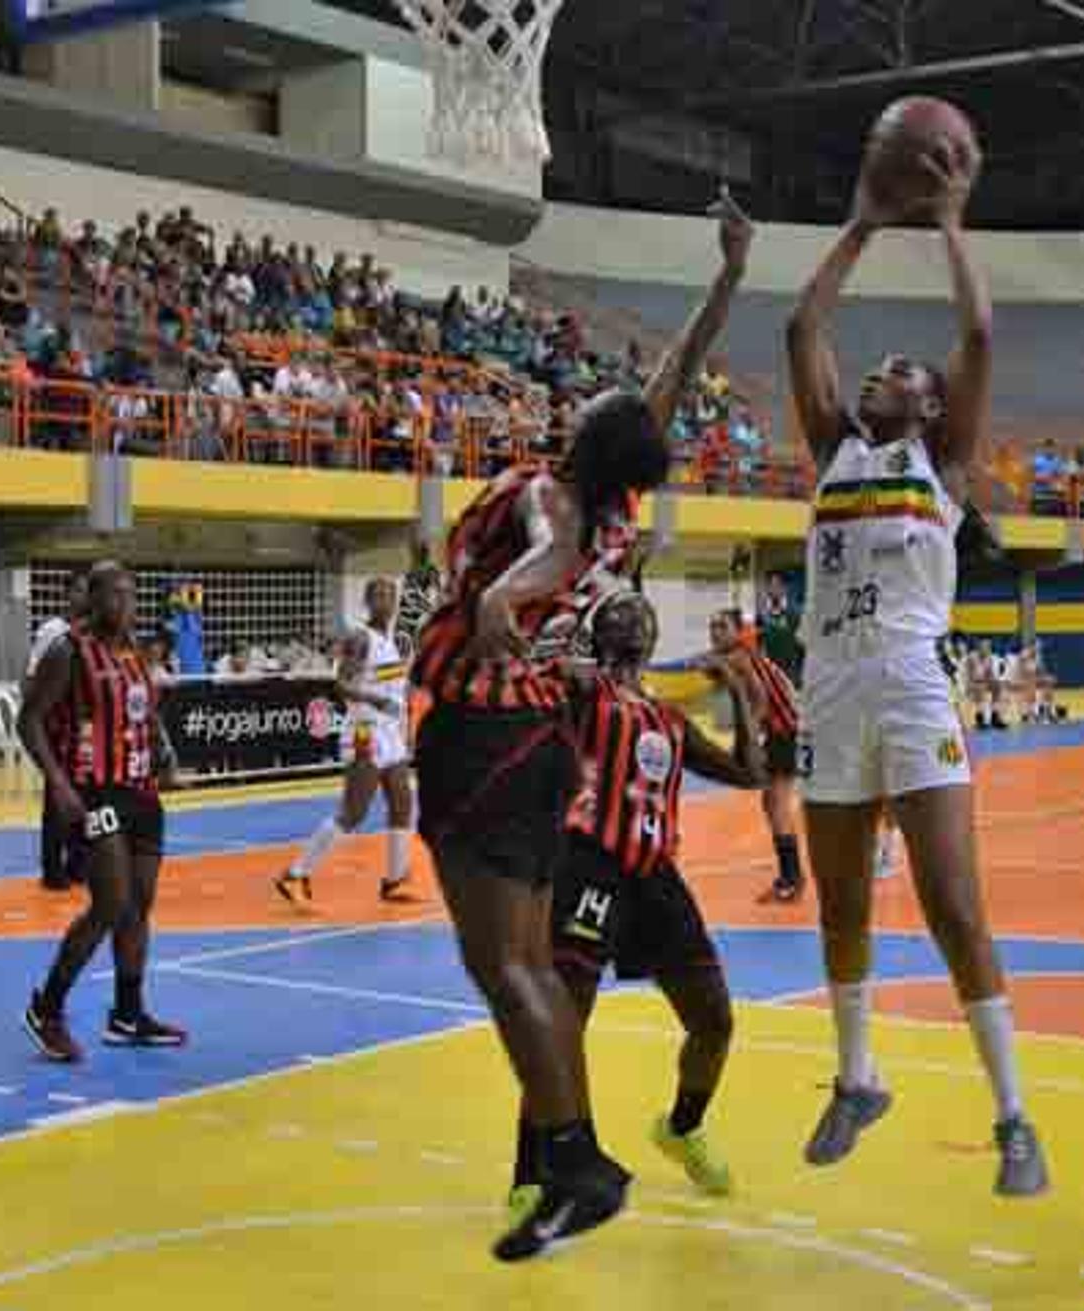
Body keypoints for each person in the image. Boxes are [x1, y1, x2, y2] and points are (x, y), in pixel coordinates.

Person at [408, 189, 752, 1263]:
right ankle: (575, 1158)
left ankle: (574, 1157)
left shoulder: (560, 511)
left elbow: (528, 580)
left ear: (586, 434)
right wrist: (727, 277)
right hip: (545, 752)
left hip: (484, 741)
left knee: (503, 967)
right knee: (536, 970)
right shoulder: (613, 506)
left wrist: (504, 614)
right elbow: (669, 387)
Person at [785, 142, 1046, 1195]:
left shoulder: (938, 465)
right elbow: (803, 329)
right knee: (841, 905)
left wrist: (949, 218)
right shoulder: (836, 450)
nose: (886, 371)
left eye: (904, 372)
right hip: (828, 685)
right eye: (882, 369)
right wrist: (859, 220)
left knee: (951, 904)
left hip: (908, 680)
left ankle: (1015, 1115)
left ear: (932, 409)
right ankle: (857, 1078)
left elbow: (978, 332)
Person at [508, 591, 766, 1222]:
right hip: (588, 865)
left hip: (654, 878)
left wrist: (739, 690)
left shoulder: (669, 721)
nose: (627, 637)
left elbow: (750, 771)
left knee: (714, 1019)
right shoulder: (584, 694)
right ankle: (531, 1177)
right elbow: (532, 692)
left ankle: (682, 1126)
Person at [19, 562, 186, 1063]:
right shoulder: (68, 650)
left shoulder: (133, 648)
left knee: (139, 906)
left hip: (141, 791)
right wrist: (59, 783)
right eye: (115, 594)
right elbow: (28, 721)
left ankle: (128, 1014)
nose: (125, 602)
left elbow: (146, 710)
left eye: (130, 594)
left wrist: (165, 751)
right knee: (110, 902)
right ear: (92, 598)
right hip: (92, 792)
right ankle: (47, 1008)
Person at [276, 577, 418, 905]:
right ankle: (296, 874)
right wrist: (376, 700)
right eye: (378, 595)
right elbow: (340, 685)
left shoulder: (393, 641)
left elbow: (390, 683)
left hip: (389, 733)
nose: (386, 601)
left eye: (390, 595)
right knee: (353, 813)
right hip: (364, 731)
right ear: (367, 601)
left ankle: (395, 879)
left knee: (403, 801)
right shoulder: (359, 637)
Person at [701, 610, 806, 906]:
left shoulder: (739, 658)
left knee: (776, 803)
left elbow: (759, 697)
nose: (715, 632)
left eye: (722, 626)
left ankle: (791, 880)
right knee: (773, 803)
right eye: (712, 626)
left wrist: (755, 737)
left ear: (738, 631)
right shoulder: (745, 655)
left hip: (783, 734)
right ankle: (790, 877)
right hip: (788, 730)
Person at [29, 573, 89, 890]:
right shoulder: (52, 632)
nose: (84, 596)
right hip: (57, 726)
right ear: (68, 595)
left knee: (88, 795)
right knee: (57, 797)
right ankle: (52, 869)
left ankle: (78, 863)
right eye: (79, 590)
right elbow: (33, 677)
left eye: (88, 591)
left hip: (85, 729)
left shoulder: (94, 634)